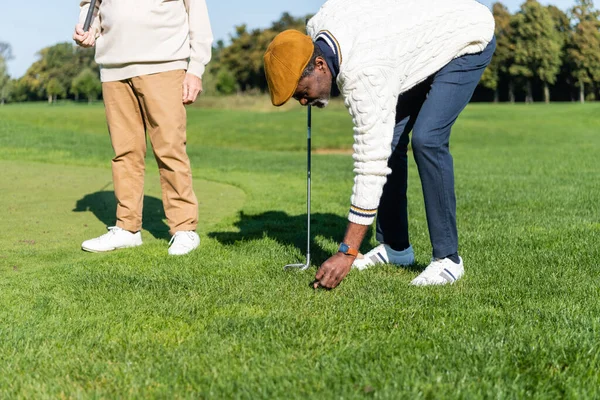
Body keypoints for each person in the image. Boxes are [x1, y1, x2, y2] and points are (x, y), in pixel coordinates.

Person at [263, 0, 496, 289]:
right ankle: (396, 248)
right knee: (394, 141)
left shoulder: (365, 74)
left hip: (465, 35)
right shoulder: (315, 30)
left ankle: (448, 259)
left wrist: (346, 252)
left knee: (427, 139)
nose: (302, 101)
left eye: (302, 91)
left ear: (320, 65)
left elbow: (370, 163)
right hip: (417, 48)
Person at [73, 0, 213, 255]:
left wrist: (196, 68)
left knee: (169, 148)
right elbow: (90, 6)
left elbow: (198, 15)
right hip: (113, 69)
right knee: (125, 152)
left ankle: (184, 229)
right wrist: (88, 30)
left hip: (165, 64)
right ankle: (127, 229)